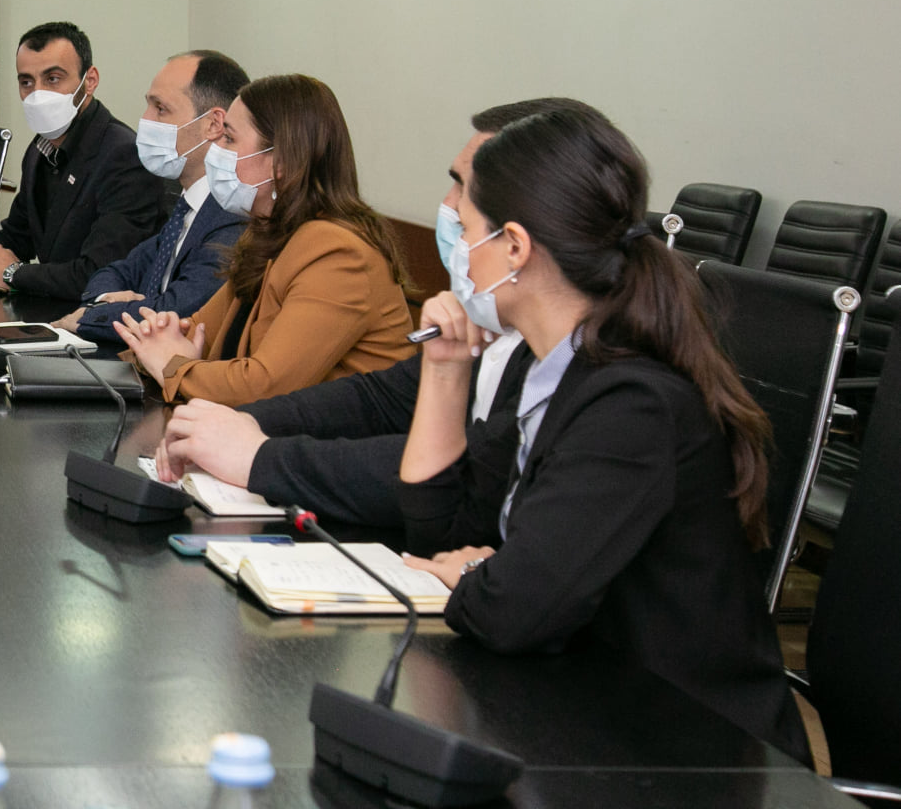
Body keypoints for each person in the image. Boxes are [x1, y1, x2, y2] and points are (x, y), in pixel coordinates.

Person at [396, 108, 808, 761]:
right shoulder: (549, 370)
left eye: (467, 228)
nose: (457, 247)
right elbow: (441, 538)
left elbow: (513, 610)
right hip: (589, 705)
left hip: (693, 754)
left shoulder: (631, 405)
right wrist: (445, 371)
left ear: (514, 247)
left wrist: (478, 572)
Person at [151, 98, 591, 525]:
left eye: (467, 188)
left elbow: (468, 474)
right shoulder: (492, 325)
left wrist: (256, 454)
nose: (451, 205)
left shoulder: (577, 362)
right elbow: (380, 398)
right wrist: (239, 424)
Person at [116, 73, 413, 408]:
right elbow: (195, 331)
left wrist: (172, 366)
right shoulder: (269, 233)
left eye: (229, 138)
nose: (216, 149)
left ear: (281, 162)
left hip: (335, 439)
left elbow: (264, 386)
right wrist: (155, 346)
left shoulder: (338, 252)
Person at [0, 22, 167, 300]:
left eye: (53, 79)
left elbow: (100, 275)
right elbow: (19, 235)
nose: (38, 94)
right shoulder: (39, 149)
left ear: (89, 81)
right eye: (26, 82)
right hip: (52, 309)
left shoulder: (125, 157)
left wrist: (11, 273)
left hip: (98, 318)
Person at [54, 50, 249, 343]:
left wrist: (90, 317)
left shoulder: (232, 215)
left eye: (160, 109)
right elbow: (116, 271)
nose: (145, 120)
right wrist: (106, 300)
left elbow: (175, 313)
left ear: (213, 124)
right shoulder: (187, 207)